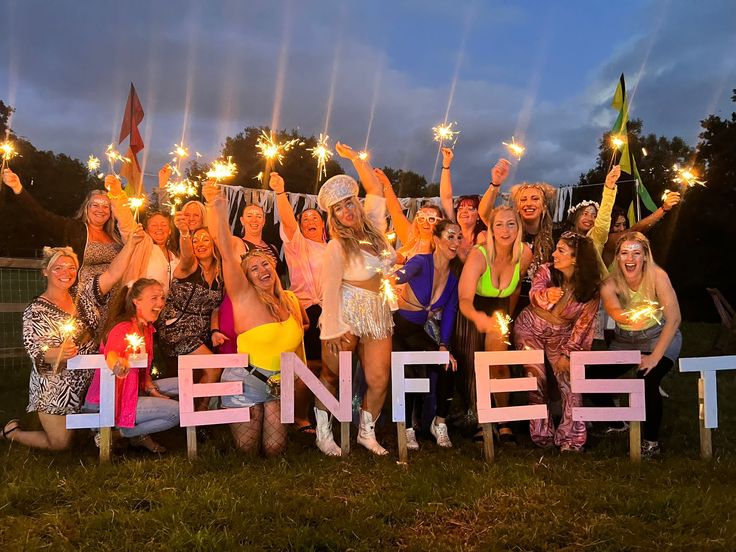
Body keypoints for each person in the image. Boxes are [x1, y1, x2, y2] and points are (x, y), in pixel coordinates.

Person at [205, 182, 306, 457]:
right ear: (245, 277)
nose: (262, 270)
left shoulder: (289, 301)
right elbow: (226, 252)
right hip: (246, 382)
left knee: (275, 449)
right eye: (253, 268)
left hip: (278, 385)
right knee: (247, 451)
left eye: (266, 265)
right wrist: (218, 211)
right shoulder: (243, 297)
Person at [314, 143, 393, 456]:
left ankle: (366, 433)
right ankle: (323, 433)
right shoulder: (336, 246)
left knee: (378, 377)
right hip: (346, 311)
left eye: (350, 203)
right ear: (333, 216)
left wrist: (354, 160)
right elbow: (329, 290)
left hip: (378, 311)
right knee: (332, 374)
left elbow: (374, 187)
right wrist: (333, 329)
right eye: (339, 209)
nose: (347, 211)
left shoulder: (375, 224)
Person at [1, 247, 98, 450]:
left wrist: (133, 243)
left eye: (71, 267)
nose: (66, 273)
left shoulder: (83, 299)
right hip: (54, 385)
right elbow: (36, 353)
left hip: (87, 381)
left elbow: (114, 274)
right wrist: (58, 353)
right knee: (60, 443)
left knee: (85, 436)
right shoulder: (35, 310)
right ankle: (13, 433)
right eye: (58, 268)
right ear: (45, 271)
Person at [513, 232, 601, 452]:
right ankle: (542, 435)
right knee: (536, 378)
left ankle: (571, 438)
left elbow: (584, 326)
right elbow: (534, 293)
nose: (554, 254)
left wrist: (568, 354)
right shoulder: (546, 271)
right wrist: (545, 294)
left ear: (576, 259)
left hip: (561, 336)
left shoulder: (590, 290)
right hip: (529, 328)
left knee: (570, 382)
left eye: (561, 250)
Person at [598, 232, 682, 457]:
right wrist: (626, 317)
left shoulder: (658, 276)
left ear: (645, 256)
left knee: (647, 379)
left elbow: (674, 318)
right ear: (617, 257)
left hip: (659, 336)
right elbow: (614, 310)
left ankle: (651, 443)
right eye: (624, 253)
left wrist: (654, 357)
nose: (630, 258)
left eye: (636, 253)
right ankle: (617, 423)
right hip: (625, 341)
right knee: (591, 377)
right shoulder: (609, 283)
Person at [459, 205, 533, 443]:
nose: (505, 230)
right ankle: (482, 419)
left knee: (499, 364)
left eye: (511, 223)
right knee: (475, 366)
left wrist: (508, 319)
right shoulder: (479, 255)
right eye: (499, 224)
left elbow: (517, 287)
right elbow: (464, 300)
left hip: (501, 310)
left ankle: (503, 419)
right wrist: (480, 319)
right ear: (491, 229)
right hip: (473, 311)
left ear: (519, 227)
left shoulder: (525, 253)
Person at [85, 278, 179, 453]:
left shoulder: (147, 329)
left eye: (162, 298)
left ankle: (137, 435)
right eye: (154, 298)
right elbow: (111, 354)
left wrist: (152, 389)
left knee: (183, 385)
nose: (160, 303)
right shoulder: (123, 327)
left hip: (134, 389)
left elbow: (144, 370)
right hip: (108, 401)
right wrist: (118, 365)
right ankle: (120, 433)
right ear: (136, 301)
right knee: (177, 412)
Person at [393, 220, 461, 450]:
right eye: (450, 236)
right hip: (398, 328)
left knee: (448, 366)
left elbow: (451, 310)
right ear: (436, 239)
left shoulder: (453, 276)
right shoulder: (422, 261)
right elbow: (401, 275)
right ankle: (408, 429)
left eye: (459, 237)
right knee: (410, 372)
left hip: (417, 332)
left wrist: (444, 345)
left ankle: (439, 422)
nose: (455, 242)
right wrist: (392, 274)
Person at [2, 169, 123, 297]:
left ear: (111, 212)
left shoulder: (116, 236)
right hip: (83, 300)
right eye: (95, 205)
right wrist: (18, 188)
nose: (100, 210)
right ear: (86, 208)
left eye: (106, 206)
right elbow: (40, 216)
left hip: (115, 302)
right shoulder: (72, 229)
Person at [269, 171, 327, 433]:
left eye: (315, 217)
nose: (310, 220)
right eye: (306, 219)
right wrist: (280, 193)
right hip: (307, 311)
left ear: (324, 225)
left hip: (332, 313)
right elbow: (288, 223)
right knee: (307, 367)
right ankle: (299, 418)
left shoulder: (335, 247)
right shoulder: (297, 245)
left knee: (332, 367)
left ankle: (326, 416)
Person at [154, 215, 224, 386]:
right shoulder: (189, 266)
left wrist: (215, 330)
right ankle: (201, 410)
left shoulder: (220, 275)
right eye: (195, 241)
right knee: (215, 368)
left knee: (202, 376)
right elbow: (185, 255)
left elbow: (216, 308)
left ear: (214, 243)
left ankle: (195, 407)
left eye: (205, 240)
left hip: (202, 334)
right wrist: (185, 233)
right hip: (176, 328)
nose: (200, 244)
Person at [107, 173, 180, 292]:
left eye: (164, 225)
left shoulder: (175, 256)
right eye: (154, 225)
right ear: (146, 230)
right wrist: (117, 195)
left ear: (170, 230)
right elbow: (127, 223)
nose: (159, 228)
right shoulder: (142, 244)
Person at [438, 147, 495, 261]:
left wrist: (495, 184)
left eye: (470, 208)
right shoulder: (451, 232)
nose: (464, 211)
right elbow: (446, 198)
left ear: (479, 215)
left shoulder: (484, 236)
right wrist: (446, 165)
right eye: (460, 208)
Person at [375, 168, 443, 263]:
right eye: (422, 218)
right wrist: (386, 183)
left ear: (439, 222)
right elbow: (396, 212)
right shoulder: (411, 238)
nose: (425, 223)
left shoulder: (443, 247)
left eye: (431, 219)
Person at [602, 191, 681, 267]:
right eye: (617, 225)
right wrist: (663, 209)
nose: (622, 228)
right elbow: (635, 230)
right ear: (609, 226)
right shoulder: (608, 240)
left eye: (624, 224)